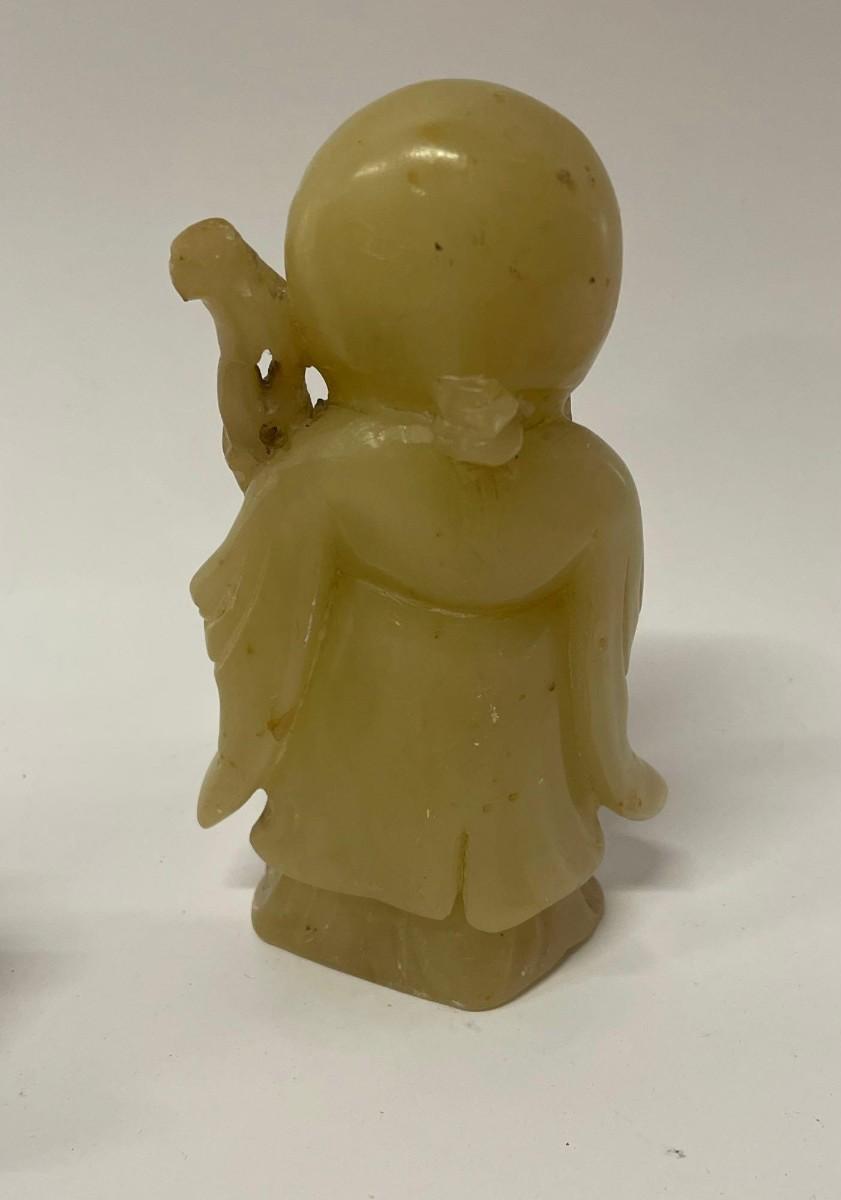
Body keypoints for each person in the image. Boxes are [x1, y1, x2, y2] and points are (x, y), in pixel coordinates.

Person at [172, 79, 666, 1009]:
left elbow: (251, 611)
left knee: (464, 878)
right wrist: (609, 759)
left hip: (482, 775)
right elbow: (601, 651)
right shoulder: (354, 475)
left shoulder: (572, 490)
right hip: (413, 759)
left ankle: (446, 916)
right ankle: (358, 903)